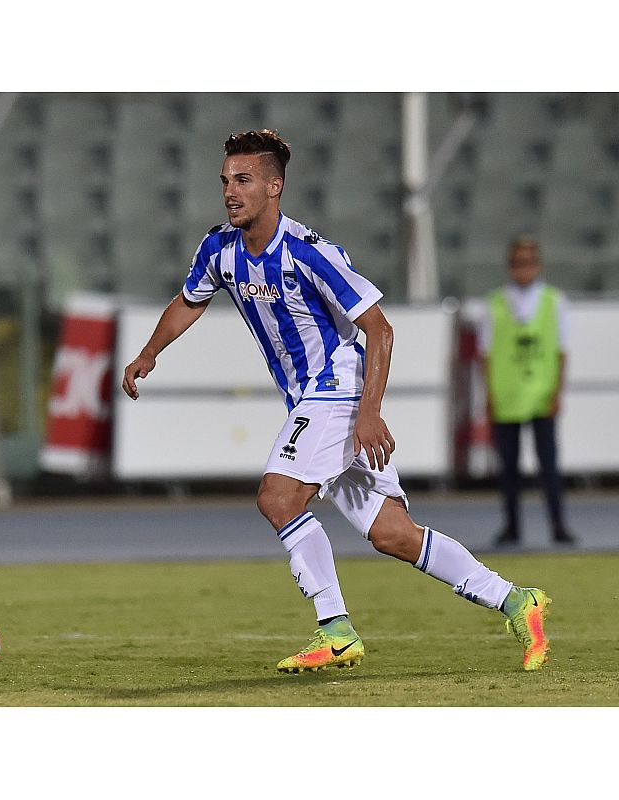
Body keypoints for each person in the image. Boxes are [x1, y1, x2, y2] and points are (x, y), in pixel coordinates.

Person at [122, 129, 551, 673]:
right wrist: (149, 352)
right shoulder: (219, 249)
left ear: (274, 187)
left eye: (244, 180)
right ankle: (517, 601)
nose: (230, 191)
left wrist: (368, 412)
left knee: (278, 498)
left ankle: (336, 630)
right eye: (226, 180)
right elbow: (189, 301)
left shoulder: (309, 253)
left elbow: (380, 329)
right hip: (312, 399)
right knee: (392, 534)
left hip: (338, 390)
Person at [479, 237, 576, 547]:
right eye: (517, 263)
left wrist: (557, 392)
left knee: (549, 465)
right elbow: (485, 354)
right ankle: (511, 525)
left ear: (538, 265)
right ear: (510, 267)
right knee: (508, 468)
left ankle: (558, 524)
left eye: (528, 263)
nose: (523, 269)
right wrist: (489, 395)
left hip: (541, 394)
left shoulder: (554, 301)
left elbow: (561, 351)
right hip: (506, 395)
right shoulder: (494, 303)